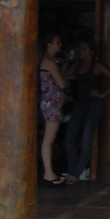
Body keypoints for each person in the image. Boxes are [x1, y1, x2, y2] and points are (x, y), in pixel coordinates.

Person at [63, 38, 110, 181]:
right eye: (80, 49)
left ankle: (75, 173)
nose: (81, 52)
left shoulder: (96, 66)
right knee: (69, 136)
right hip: (80, 103)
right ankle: (73, 170)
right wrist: (67, 60)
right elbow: (64, 74)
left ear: (91, 52)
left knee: (87, 137)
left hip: (93, 104)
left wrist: (102, 95)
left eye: (84, 49)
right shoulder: (77, 64)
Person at [38, 31, 70, 186]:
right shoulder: (49, 62)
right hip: (52, 103)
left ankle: (49, 171)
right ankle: (48, 172)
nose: (60, 45)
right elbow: (63, 83)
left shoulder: (49, 61)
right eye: (57, 42)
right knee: (49, 139)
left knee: (50, 138)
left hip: (51, 102)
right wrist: (65, 80)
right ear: (49, 44)